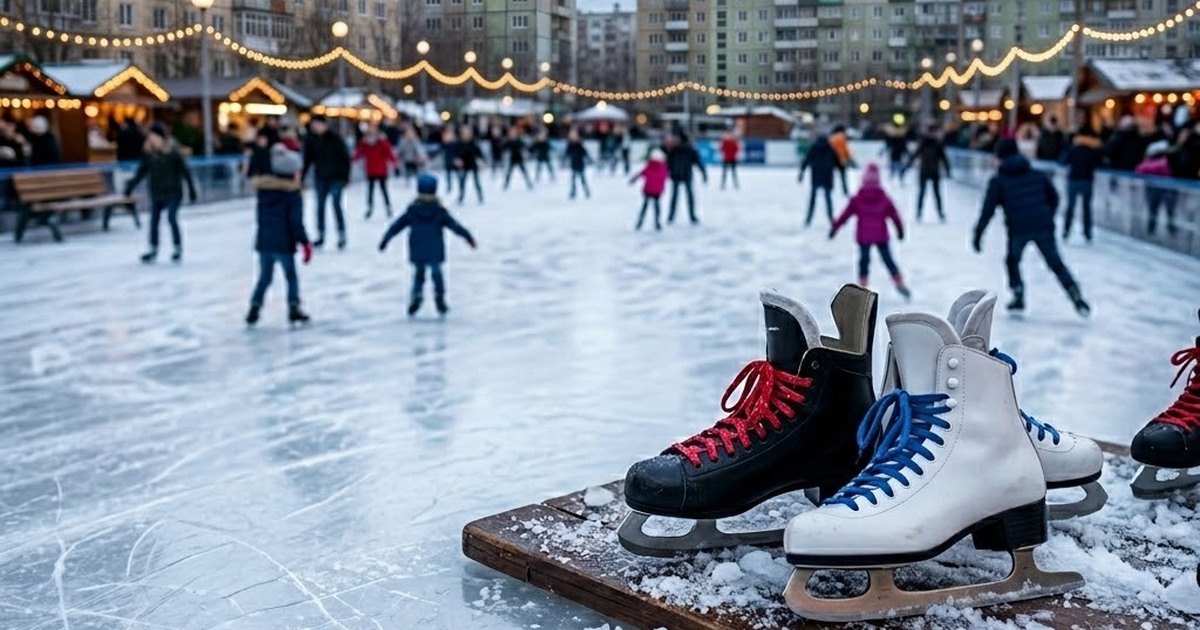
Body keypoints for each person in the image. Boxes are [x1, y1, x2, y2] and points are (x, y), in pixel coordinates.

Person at [973, 139, 1090, 316]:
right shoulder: (1037, 174)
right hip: (1043, 225)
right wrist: (1046, 215)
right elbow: (1054, 198)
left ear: (1000, 157)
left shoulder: (998, 180)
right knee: (1055, 262)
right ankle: (1073, 290)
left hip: (1018, 228)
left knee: (1012, 261)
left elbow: (987, 210)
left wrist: (978, 233)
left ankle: (1018, 292)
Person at [379, 174, 477, 317]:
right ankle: (440, 299)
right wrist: (468, 237)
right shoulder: (439, 210)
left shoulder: (412, 210)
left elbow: (397, 226)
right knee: (437, 275)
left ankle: (417, 295)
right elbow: (455, 226)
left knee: (419, 275)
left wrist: (385, 240)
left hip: (417, 248)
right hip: (435, 250)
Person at [246, 143, 312, 327]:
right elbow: (295, 223)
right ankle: (293, 307)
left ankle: (254, 307)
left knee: (264, 277)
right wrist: (305, 243)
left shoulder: (264, 191)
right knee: (291, 276)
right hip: (284, 243)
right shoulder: (292, 195)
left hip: (265, 242)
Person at [829, 163, 909, 298]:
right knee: (888, 260)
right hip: (881, 236)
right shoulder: (884, 198)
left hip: (864, 236)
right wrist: (900, 231)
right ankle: (899, 282)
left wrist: (834, 228)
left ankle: (862, 286)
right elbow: (895, 216)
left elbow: (844, 215)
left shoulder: (858, 198)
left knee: (864, 261)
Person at [124, 123, 196, 263]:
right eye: (150, 137)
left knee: (171, 218)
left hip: (173, 191)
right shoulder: (148, 154)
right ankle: (153, 248)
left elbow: (185, 172)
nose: (152, 139)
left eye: (154, 136)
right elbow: (141, 172)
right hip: (157, 192)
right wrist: (130, 187)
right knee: (154, 220)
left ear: (162, 138)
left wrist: (191, 189)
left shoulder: (173, 153)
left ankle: (177, 247)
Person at [302, 115, 351, 249]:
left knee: (336, 204)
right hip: (321, 178)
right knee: (320, 206)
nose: (316, 127)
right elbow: (307, 160)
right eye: (314, 125)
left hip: (336, 178)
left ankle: (341, 234)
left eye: (318, 124)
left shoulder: (335, 139)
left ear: (324, 125)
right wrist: (301, 178)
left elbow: (345, 158)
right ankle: (321, 235)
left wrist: (345, 177)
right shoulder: (311, 140)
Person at [1060, 127, 1105, 243]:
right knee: (1087, 208)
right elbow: (1100, 164)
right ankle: (1087, 232)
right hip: (1087, 181)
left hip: (1073, 180)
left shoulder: (1073, 150)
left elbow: (1062, 162)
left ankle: (1066, 230)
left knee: (1070, 207)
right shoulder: (1093, 151)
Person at [904, 123, 951, 222]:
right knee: (930, 193)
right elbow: (944, 158)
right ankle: (925, 212)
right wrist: (948, 170)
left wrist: (908, 165)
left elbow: (915, 155)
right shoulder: (931, 143)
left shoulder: (930, 143)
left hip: (928, 171)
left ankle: (926, 212)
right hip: (930, 171)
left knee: (928, 193)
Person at [353, 125, 399, 219]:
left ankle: (387, 207)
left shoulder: (382, 141)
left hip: (381, 170)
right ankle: (370, 207)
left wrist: (395, 163)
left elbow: (389, 152)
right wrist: (352, 159)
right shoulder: (364, 142)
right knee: (370, 191)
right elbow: (359, 153)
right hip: (370, 170)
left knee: (383, 190)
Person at [1136, 139, 1179, 237]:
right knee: (1158, 209)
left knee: (1156, 209)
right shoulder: (1162, 163)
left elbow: (1139, 170)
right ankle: (1157, 227)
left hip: (1162, 189)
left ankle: (1154, 228)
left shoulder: (1160, 162)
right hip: (1161, 189)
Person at [665, 132, 707, 224]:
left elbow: (668, 163)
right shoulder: (689, 149)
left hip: (676, 175)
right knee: (689, 197)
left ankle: (671, 216)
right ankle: (692, 216)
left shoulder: (675, 149)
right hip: (686, 175)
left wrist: (667, 173)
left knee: (674, 198)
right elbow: (698, 162)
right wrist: (704, 174)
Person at [799, 134, 837, 227]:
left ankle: (809, 218)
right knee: (828, 198)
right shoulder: (830, 148)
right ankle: (831, 218)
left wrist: (801, 173)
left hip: (816, 176)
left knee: (813, 198)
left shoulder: (814, 148)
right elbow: (837, 162)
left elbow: (806, 160)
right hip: (827, 177)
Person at [630, 149, 669, 231]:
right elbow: (666, 176)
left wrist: (634, 179)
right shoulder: (663, 168)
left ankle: (640, 222)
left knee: (645, 206)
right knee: (656, 206)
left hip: (648, 190)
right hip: (657, 191)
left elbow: (641, 173)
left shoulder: (649, 166)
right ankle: (657, 222)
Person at [454, 125, 485, 205]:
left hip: (472, 164)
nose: (466, 135)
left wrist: (481, 162)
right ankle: (461, 196)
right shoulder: (459, 144)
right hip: (464, 166)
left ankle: (480, 196)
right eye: (465, 133)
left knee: (476, 181)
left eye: (468, 133)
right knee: (462, 182)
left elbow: (479, 153)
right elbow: (456, 154)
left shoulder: (473, 143)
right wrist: (457, 160)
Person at [502, 126, 533, 190]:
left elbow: (525, 147)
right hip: (512, 159)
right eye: (511, 133)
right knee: (509, 173)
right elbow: (504, 148)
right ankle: (506, 184)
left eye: (513, 132)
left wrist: (526, 152)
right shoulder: (509, 141)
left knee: (524, 172)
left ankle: (529, 183)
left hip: (519, 158)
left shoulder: (519, 140)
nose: (512, 134)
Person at [565, 128, 592, 199]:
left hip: (580, 165)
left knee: (583, 179)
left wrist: (589, 159)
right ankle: (573, 192)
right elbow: (567, 154)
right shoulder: (570, 145)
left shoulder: (580, 145)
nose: (573, 137)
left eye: (574, 136)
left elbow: (585, 153)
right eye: (571, 136)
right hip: (573, 164)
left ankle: (586, 191)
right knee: (573, 180)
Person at [828, 125, 853, 195]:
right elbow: (846, 149)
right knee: (843, 176)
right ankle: (845, 190)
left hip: (833, 159)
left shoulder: (832, 138)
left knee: (832, 175)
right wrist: (849, 157)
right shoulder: (843, 138)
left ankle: (831, 189)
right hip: (841, 159)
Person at [440, 126, 459, 193]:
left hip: (454, 160)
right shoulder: (445, 141)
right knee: (448, 174)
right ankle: (449, 186)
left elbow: (458, 150)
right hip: (448, 160)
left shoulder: (456, 141)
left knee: (457, 173)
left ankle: (459, 185)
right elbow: (442, 149)